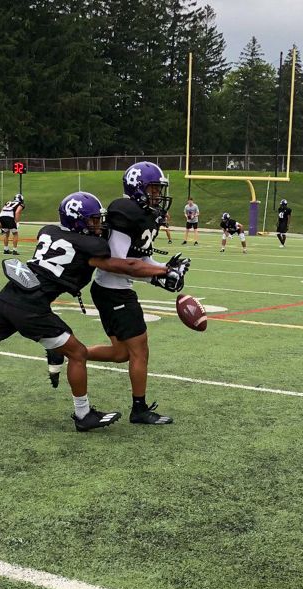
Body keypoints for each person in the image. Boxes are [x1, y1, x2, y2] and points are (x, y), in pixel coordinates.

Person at [0, 192, 187, 431]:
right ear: (79, 221)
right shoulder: (90, 247)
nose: (99, 225)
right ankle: (83, 414)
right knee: (77, 353)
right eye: (93, 220)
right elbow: (125, 266)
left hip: (9, 295)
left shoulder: (48, 231)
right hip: (31, 307)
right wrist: (163, 270)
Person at [77, 161, 185, 425]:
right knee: (140, 351)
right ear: (138, 188)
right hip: (114, 291)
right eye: (153, 189)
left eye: (159, 190)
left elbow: (140, 258)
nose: (158, 195)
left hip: (113, 290)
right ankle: (140, 409)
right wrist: (160, 276)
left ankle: (71, 352)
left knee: (121, 353)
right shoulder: (125, 212)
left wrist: (165, 268)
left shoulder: (143, 214)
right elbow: (119, 262)